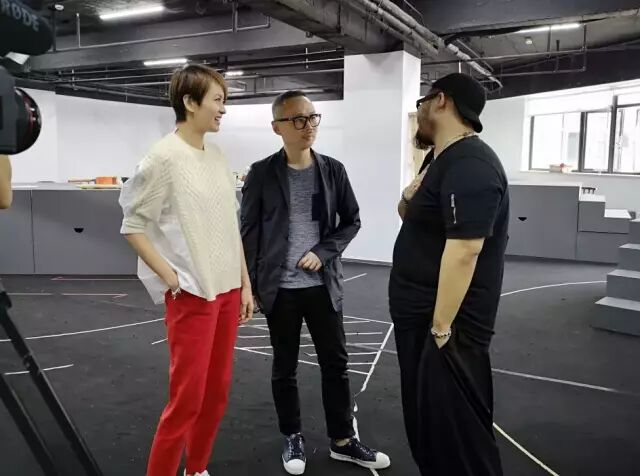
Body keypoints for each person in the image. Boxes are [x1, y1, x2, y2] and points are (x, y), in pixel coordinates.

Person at [241, 90, 390, 475]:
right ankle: (292, 436)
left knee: (336, 364)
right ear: (277, 127)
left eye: (312, 118)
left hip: (323, 286)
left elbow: (351, 221)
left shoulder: (333, 170)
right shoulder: (261, 173)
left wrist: (323, 252)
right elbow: (249, 232)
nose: (308, 126)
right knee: (284, 367)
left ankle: (343, 440)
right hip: (280, 290)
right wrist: (250, 286)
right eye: (297, 119)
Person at [119, 64, 254, 476]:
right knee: (187, 400)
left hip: (227, 291)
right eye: (217, 100)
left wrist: (245, 284)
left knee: (216, 395)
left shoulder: (217, 156)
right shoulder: (163, 157)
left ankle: (196, 469)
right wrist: (171, 278)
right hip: (193, 295)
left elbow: (230, 227)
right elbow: (133, 225)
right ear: (190, 102)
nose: (223, 109)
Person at [389, 73, 509, 476]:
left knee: (459, 437)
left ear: (441, 101)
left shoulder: (471, 163)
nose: (419, 112)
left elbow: (465, 250)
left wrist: (441, 329)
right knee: (430, 429)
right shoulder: (439, 158)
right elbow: (411, 215)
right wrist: (409, 193)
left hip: (447, 327)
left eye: (422, 102)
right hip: (421, 319)